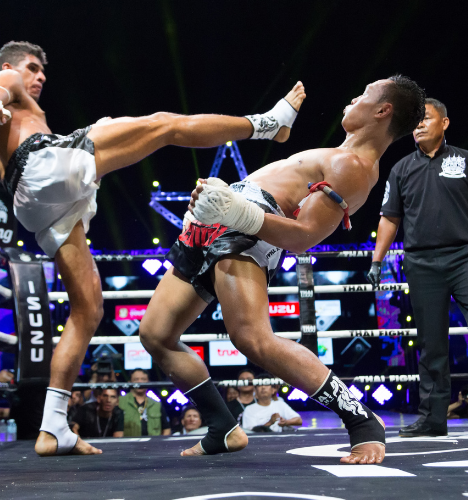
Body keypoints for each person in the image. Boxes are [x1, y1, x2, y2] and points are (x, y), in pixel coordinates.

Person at [0, 41, 303, 456]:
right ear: (10, 66)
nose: (38, 78)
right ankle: (267, 123)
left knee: (87, 310)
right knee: (164, 125)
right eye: (32, 68)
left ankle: (53, 427)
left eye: (41, 73)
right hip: (41, 169)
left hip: (33, 203)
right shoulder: (6, 81)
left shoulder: (8, 124)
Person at [139, 75, 426, 464]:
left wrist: (233, 210)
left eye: (362, 95)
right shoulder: (338, 153)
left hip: (244, 231)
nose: (351, 100)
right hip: (214, 227)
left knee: (253, 339)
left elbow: (302, 236)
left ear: (382, 110)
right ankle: (222, 426)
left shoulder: (354, 166)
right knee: (155, 334)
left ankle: (362, 421)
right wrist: (217, 202)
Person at [367, 97, 468, 438]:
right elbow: (389, 218)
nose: (419, 125)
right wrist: (377, 259)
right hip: (422, 263)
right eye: (415, 121)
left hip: (464, 258)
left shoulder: (464, 161)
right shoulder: (401, 169)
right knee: (431, 344)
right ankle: (433, 418)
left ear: (445, 123)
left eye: (426, 118)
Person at [118, 369, 171, 436]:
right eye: (136, 379)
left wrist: (161, 444)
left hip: (153, 444)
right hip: (129, 444)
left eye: (143, 379)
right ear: (129, 382)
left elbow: (166, 428)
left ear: (148, 382)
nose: (140, 382)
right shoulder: (120, 401)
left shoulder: (156, 404)